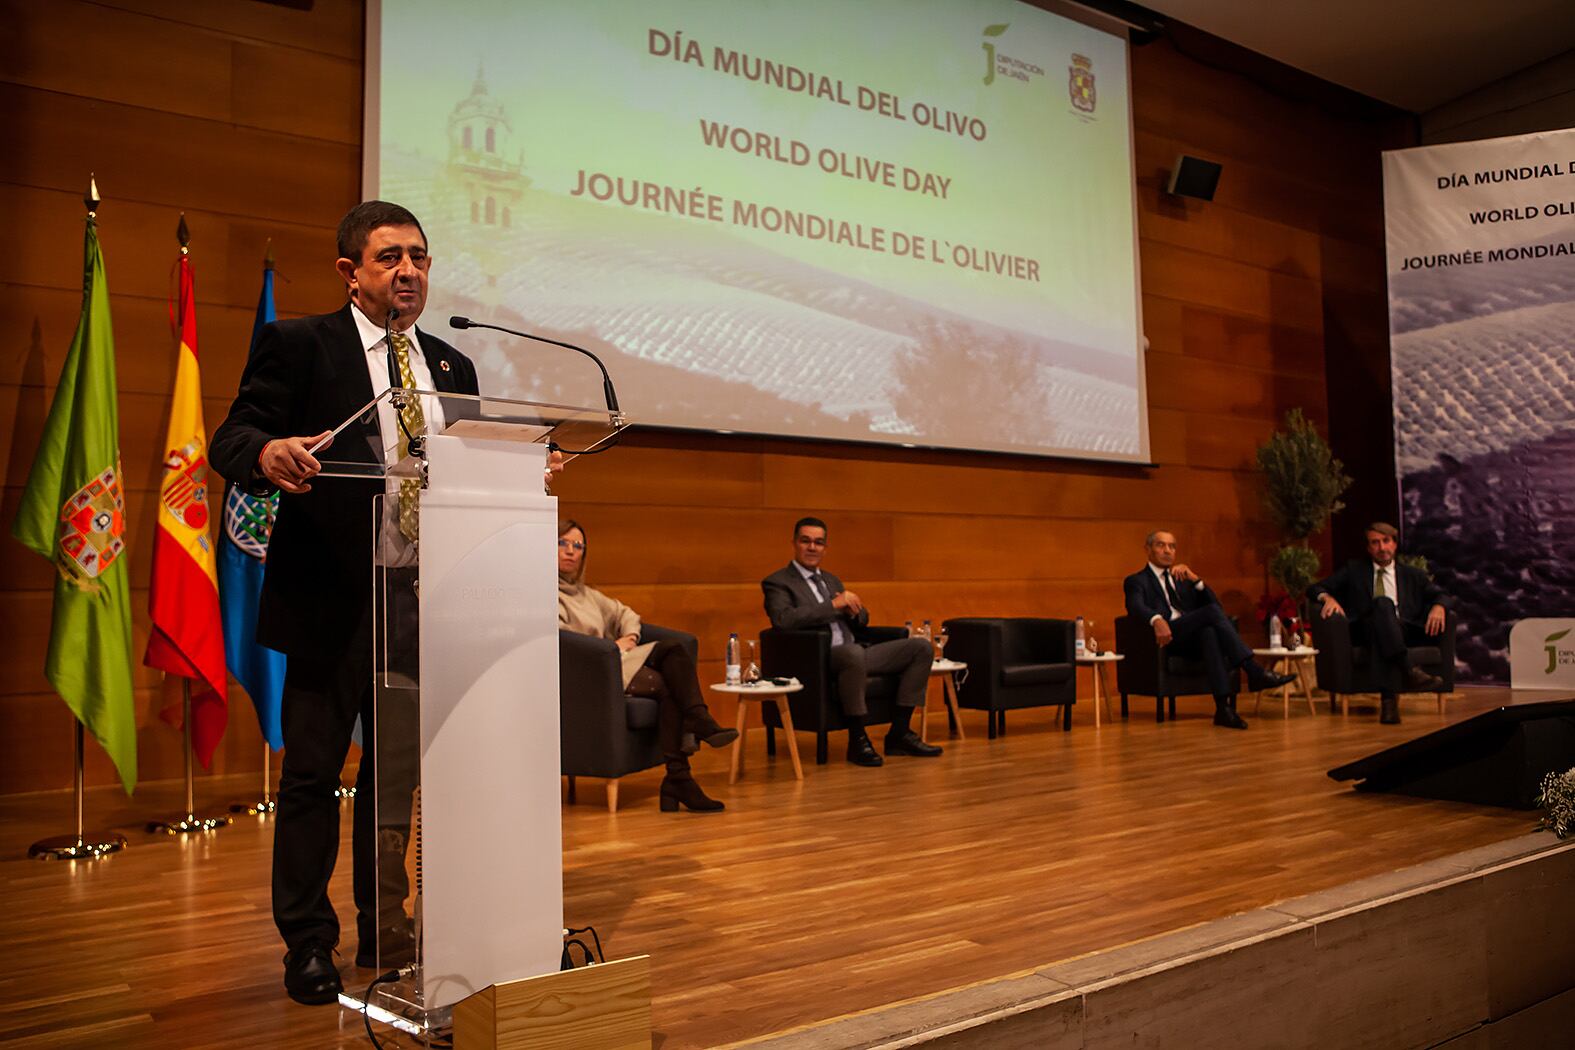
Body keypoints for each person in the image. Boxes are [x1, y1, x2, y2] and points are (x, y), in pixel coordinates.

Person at [212, 201, 558, 1006]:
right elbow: (234, 436)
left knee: (395, 779)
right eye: (391, 257)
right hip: (333, 597)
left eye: (421, 258)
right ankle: (307, 942)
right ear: (351, 272)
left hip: (425, 602)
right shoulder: (301, 345)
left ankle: (385, 926)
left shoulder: (449, 367)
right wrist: (268, 451)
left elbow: (469, 470)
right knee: (312, 778)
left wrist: (516, 477)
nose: (410, 271)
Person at [557, 520, 738, 811]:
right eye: (562, 543)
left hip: (616, 665)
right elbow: (558, 641)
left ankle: (678, 778)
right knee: (672, 653)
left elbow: (628, 614)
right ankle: (697, 723)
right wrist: (609, 648)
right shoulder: (547, 595)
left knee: (671, 682)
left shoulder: (587, 593)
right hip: (589, 678)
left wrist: (629, 636)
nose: (571, 552)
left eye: (578, 546)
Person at [761, 516, 939, 766]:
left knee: (919, 647)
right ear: (794, 543)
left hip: (855, 652)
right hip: (818, 658)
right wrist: (832, 605)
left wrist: (855, 610)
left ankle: (899, 732)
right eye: (806, 541)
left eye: (819, 543)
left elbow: (862, 620)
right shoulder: (778, 582)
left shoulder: (831, 579)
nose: (812, 547)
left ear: (825, 547)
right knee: (852, 653)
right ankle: (857, 740)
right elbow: (783, 620)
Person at [1123, 530, 1294, 729]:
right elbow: (1134, 606)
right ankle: (1253, 670)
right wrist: (1156, 619)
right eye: (1161, 545)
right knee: (1210, 617)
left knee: (1209, 633)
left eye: (1172, 546)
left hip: (1190, 637)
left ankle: (1223, 709)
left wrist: (1196, 580)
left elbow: (1217, 609)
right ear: (1148, 549)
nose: (1167, 551)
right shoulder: (1136, 581)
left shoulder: (1181, 578)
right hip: (1165, 639)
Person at [1307, 521, 1448, 725]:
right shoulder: (1354, 569)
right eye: (1375, 543)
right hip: (1363, 629)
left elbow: (1442, 595)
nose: (1382, 548)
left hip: (1403, 629)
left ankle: (1389, 703)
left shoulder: (1412, 575)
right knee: (1382, 604)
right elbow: (1315, 588)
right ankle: (1408, 670)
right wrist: (1327, 598)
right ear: (1368, 548)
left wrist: (1439, 606)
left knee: (1383, 634)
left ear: (1394, 544)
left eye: (1386, 541)